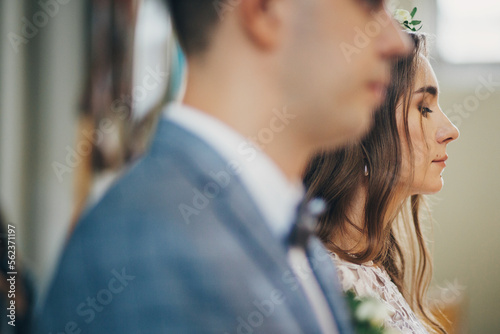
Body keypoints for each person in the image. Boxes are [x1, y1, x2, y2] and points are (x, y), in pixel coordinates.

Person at [34, 0, 411, 333]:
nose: (398, 41)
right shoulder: (149, 250)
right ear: (263, 10)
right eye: (370, 5)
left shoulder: (290, 231)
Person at [303, 32, 459, 333]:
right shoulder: (333, 286)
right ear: (363, 126)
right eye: (423, 108)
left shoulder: (373, 268)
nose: (451, 130)